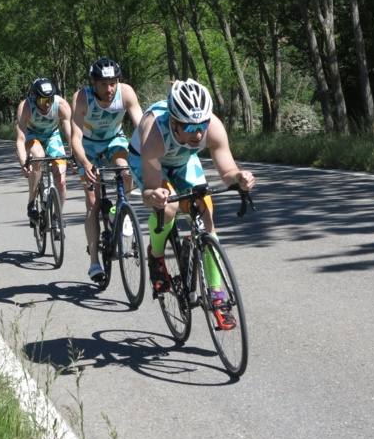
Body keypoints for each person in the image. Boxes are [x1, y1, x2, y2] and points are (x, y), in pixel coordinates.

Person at [128, 78, 256, 329]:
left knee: (205, 208)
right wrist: (154, 196)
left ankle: (218, 295)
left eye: (201, 125)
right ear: (174, 122)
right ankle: (156, 257)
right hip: (148, 161)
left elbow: (227, 169)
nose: (198, 133)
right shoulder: (154, 133)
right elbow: (150, 191)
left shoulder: (212, 126)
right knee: (169, 206)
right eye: (189, 126)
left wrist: (239, 177)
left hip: (183, 160)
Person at [71, 58, 143, 282]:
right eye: (103, 84)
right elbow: (75, 138)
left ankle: (123, 209)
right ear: (94, 83)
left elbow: (142, 126)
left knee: (125, 169)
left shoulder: (127, 93)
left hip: (114, 140)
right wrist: (85, 162)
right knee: (93, 202)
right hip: (88, 146)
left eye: (113, 83)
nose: (109, 88)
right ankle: (94, 262)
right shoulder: (82, 98)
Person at [15, 77, 73, 225]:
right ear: (34, 98)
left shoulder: (61, 105)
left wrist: (73, 156)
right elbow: (20, 140)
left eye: (50, 99)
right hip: (32, 135)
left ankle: (56, 216)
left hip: (52, 136)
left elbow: (70, 135)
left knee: (61, 178)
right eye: (42, 100)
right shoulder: (25, 107)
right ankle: (32, 202)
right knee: (38, 156)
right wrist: (23, 163)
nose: (47, 104)